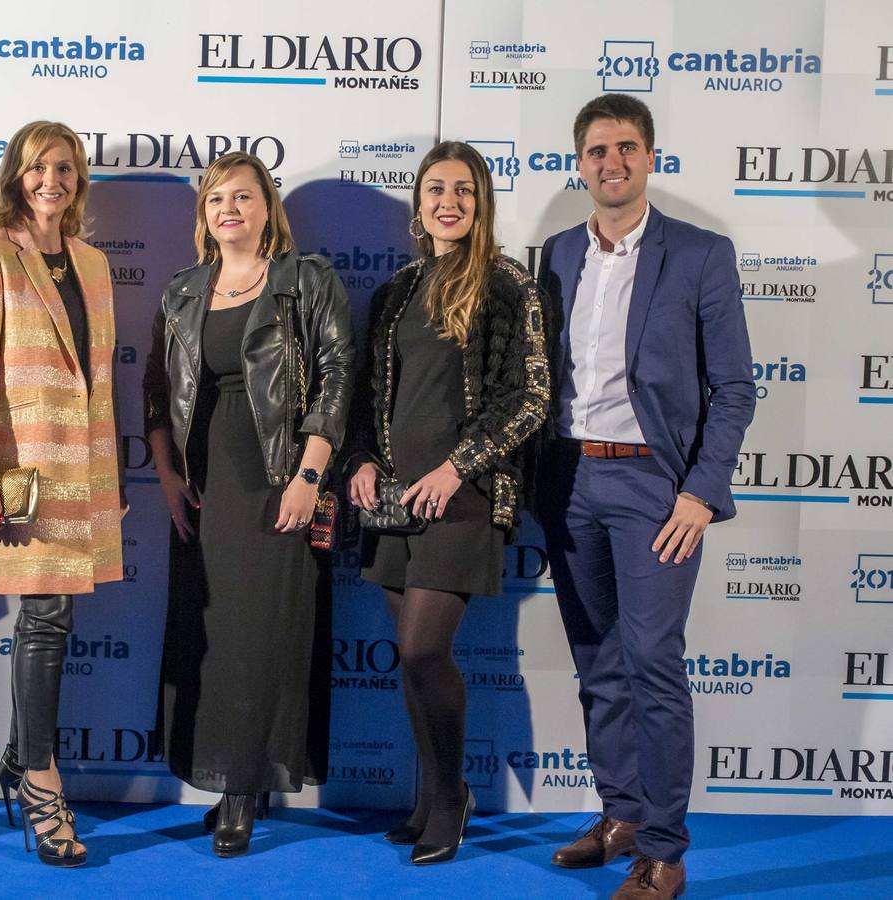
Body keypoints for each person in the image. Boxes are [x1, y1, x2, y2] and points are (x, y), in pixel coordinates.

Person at [536, 94, 755, 900]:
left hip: (655, 489)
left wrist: (701, 493)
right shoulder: (555, 253)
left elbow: (734, 388)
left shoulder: (700, 254)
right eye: (597, 150)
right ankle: (620, 815)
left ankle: (663, 850)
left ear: (650, 157)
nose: (612, 162)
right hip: (568, 479)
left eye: (626, 147)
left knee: (653, 664)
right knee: (598, 663)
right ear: (580, 161)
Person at [142, 151, 354, 858]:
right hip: (203, 487)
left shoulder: (305, 280)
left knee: (265, 634)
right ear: (204, 217)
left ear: (268, 208)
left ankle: (242, 788)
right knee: (213, 635)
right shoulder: (181, 292)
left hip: (276, 478)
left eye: (242, 197)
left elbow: (335, 378)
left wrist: (309, 474)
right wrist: (169, 479)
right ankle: (220, 768)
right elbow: (153, 394)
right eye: (215, 200)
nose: (228, 209)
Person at [344, 141, 550, 865]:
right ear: (418, 202)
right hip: (393, 499)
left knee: (424, 648)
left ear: (482, 201)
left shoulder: (507, 284)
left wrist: (457, 467)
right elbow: (370, 397)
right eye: (436, 189)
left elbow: (530, 398)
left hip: (462, 496)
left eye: (464, 190)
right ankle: (431, 797)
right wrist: (362, 459)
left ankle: (453, 794)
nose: (449, 202)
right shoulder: (395, 291)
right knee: (410, 662)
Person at [0, 120, 125, 869]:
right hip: (19, 476)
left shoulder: (90, 262)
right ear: (14, 177)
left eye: (64, 167)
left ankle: (22, 760)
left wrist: (105, 483)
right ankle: (42, 780)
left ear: (78, 178)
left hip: (80, 474)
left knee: (55, 616)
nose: (50, 180)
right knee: (46, 617)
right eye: (35, 168)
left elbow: (101, 385)